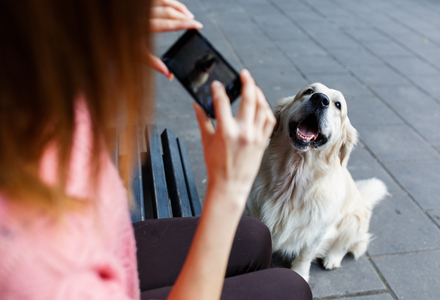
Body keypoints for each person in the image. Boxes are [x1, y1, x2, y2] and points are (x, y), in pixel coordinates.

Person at [0, 0, 312, 299]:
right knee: (291, 287)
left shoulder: (23, 90)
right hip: (82, 266)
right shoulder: (33, 271)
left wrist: (93, 43)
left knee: (254, 238)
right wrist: (228, 192)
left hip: (105, 239)